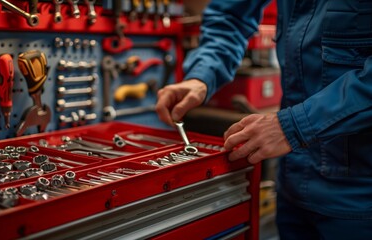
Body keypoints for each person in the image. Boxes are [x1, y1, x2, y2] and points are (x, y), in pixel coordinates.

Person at [155, 0, 372, 239]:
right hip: (293, 183)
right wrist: (203, 74)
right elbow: (230, 15)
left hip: (360, 198)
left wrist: (297, 125)